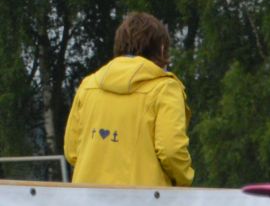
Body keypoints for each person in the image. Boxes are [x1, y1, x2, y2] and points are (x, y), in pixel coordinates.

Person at [64, 11, 194, 187]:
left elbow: (72, 151)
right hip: (145, 200)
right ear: (161, 48)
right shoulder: (165, 89)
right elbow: (171, 150)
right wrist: (185, 180)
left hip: (87, 198)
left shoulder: (88, 86)